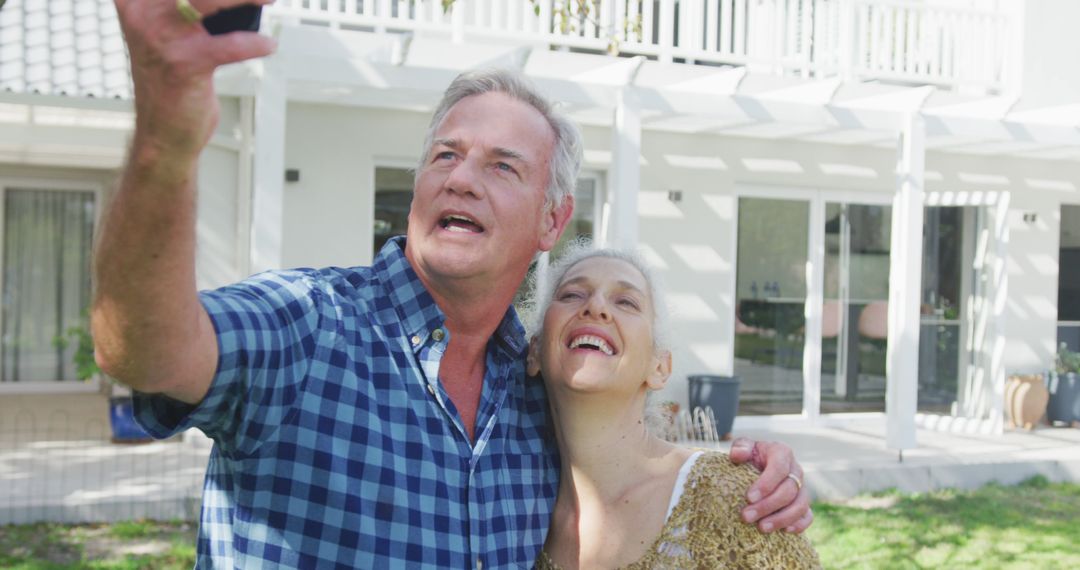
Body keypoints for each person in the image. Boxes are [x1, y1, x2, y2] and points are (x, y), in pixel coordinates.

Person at [92, 1, 813, 567]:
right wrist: (164, 142)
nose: (461, 177)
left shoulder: (533, 386)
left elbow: (628, 450)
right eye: (446, 155)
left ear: (552, 219)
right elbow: (145, 351)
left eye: (502, 166)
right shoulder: (310, 324)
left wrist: (749, 472)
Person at [527, 244, 820, 569]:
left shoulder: (727, 499)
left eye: (626, 301)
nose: (595, 306)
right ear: (534, 351)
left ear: (659, 367)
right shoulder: (521, 514)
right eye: (571, 295)